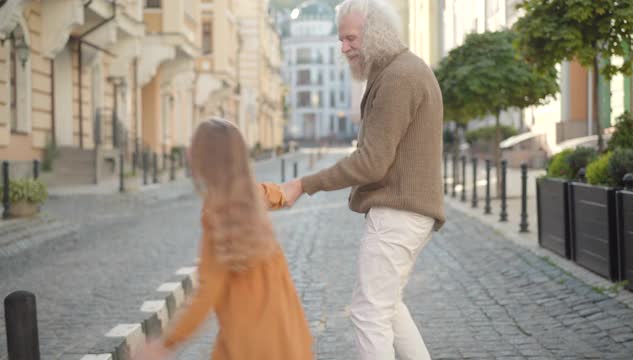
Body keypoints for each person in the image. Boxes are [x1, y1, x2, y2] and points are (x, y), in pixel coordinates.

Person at [280, 0, 445, 359]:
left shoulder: (399, 76)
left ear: (375, 33)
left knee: (369, 313)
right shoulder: (395, 71)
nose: (344, 48)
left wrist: (302, 184)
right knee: (388, 307)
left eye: (350, 38)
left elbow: (372, 162)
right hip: (405, 212)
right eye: (340, 40)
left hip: (398, 214)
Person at [134, 118, 313, 360]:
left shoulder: (217, 217)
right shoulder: (251, 200)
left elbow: (207, 294)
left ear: (204, 163)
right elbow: (269, 193)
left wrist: (166, 343)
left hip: (246, 346)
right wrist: (286, 192)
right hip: (289, 338)